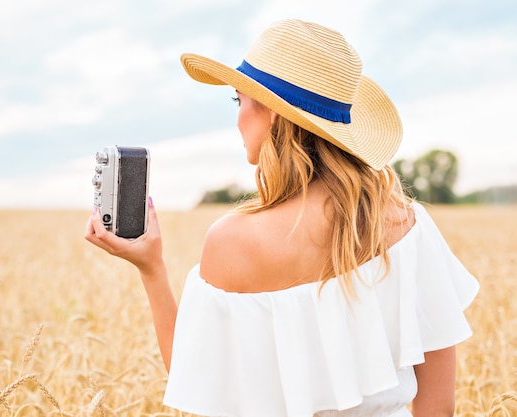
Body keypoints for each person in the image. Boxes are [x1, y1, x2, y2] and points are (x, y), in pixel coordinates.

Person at [85, 19, 479, 417]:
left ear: (272, 113)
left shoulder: (233, 241)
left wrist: (152, 269)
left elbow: (197, 381)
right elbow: (438, 407)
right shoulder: (409, 225)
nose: (237, 117)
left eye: (237, 100)